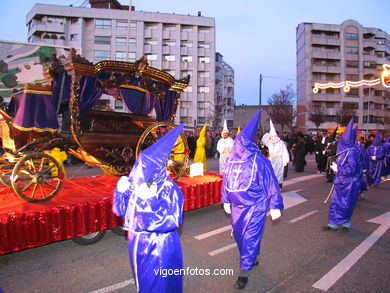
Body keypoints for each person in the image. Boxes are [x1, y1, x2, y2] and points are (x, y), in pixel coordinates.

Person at [112, 124, 185, 293]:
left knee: (156, 285)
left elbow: (171, 220)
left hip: (157, 246)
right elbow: (121, 212)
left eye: (143, 166)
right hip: (137, 243)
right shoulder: (137, 184)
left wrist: (148, 200)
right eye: (139, 164)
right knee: (143, 281)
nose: (138, 169)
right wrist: (120, 192)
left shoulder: (169, 189)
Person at [221, 110, 284, 289]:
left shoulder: (259, 161)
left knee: (249, 237)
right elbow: (226, 180)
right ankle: (252, 255)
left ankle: (244, 272)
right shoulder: (231, 161)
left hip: (255, 206)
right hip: (237, 207)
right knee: (240, 237)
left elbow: (271, 182)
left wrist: (275, 205)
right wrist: (225, 199)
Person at [325, 118, 362, 231]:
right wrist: (336, 168)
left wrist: (338, 168)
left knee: (344, 203)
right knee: (339, 203)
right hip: (342, 181)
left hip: (348, 182)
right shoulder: (346, 151)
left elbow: (352, 169)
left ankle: (341, 222)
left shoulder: (352, 152)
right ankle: (337, 222)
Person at [261, 119, 289, 189]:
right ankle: (272, 187)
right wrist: (268, 134)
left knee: (279, 174)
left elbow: (284, 152)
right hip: (271, 160)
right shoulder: (269, 142)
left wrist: (285, 160)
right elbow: (263, 139)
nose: (273, 138)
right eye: (272, 136)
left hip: (279, 160)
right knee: (271, 173)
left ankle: (279, 186)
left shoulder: (281, 143)